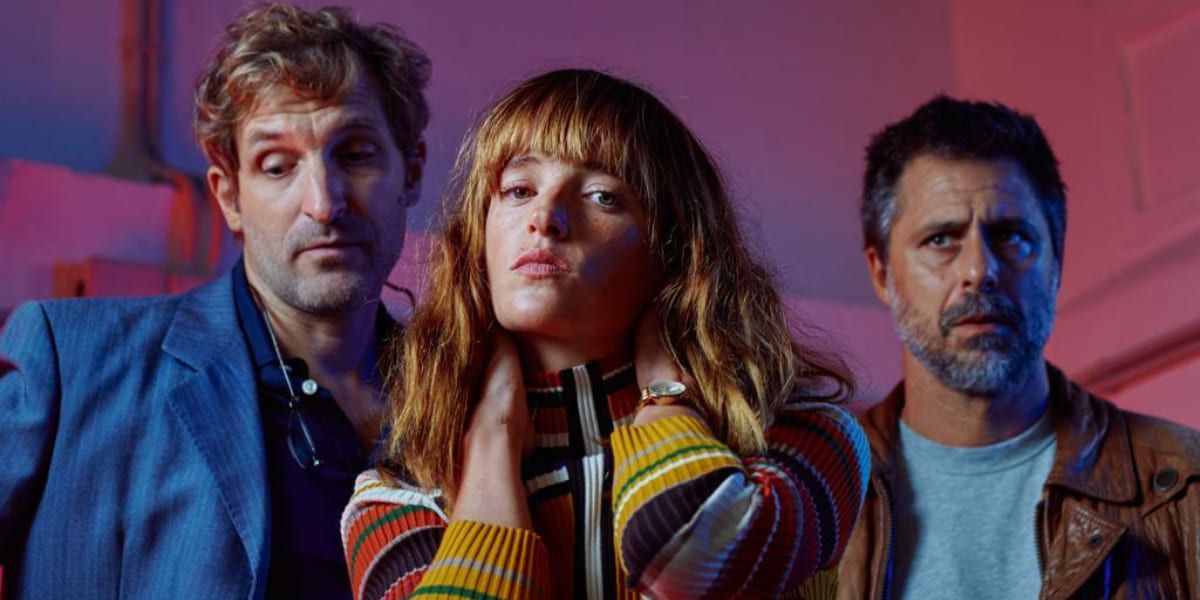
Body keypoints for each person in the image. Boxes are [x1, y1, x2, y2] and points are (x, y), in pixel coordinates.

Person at [340, 68, 870, 600]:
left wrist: (666, 392)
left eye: (603, 196)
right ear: (477, 236)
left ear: (675, 250)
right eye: (519, 189)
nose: (545, 217)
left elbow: (689, 567)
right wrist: (492, 439)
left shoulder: (803, 437)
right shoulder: (396, 498)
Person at [0, 4, 430, 598]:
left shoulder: (466, 395)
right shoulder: (69, 362)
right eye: (277, 166)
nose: (324, 203)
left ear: (411, 173)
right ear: (229, 198)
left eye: (356, 154)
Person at [837, 95, 1200, 598]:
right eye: (941, 239)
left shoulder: (1187, 488)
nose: (979, 271)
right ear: (882, 273)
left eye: (1011, 236)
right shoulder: (814, 500)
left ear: (1056, 264)